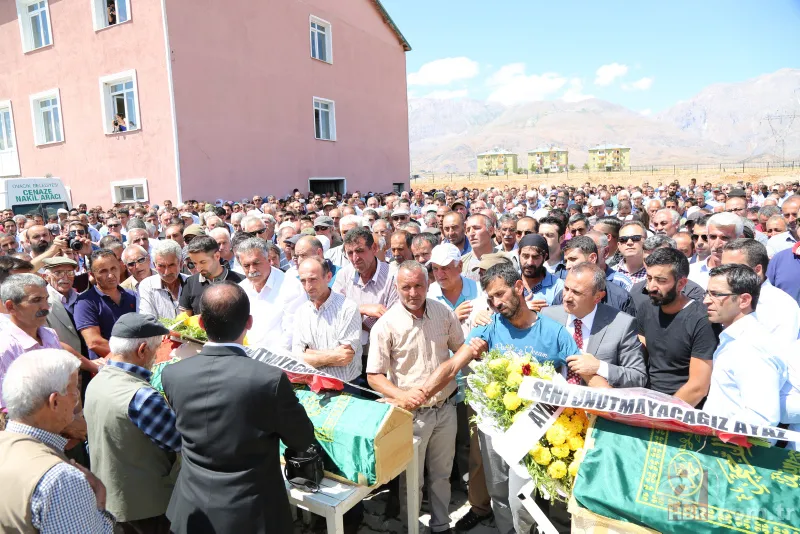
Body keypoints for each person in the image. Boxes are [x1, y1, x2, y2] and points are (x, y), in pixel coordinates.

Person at [161, 282, 315, 534]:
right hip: (252, 512)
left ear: (200, 324)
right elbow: (302, 437)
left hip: (192, 508)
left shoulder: (174, 374)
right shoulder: (269, 379)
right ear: (249, 323)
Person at [367, 261, 465, 534]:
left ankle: (441, 525)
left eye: (418, 285)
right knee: (411, 479)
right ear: (397, 287)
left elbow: (461, 352)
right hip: (411, 415)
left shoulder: (444, 313)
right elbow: (374, 376)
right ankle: (411, 526)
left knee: (442, 475)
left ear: (428, 283)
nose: (412, 293)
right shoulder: (385, 325)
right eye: (406, 287)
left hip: (445, 409)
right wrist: (402, 395)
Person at [0, 350, 116, 532]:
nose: (77, 399)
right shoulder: (62, 479)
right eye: (74, 391)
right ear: (54, 402)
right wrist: (100, 504)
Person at [85, 315, 180, 534]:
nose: (157, 356)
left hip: (110, 498)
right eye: (157, 349)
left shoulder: (98, 379)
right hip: (145, 508)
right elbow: (179, 442)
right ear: (142, 349)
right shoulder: (142, 396)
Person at [701, 264, 787, 429]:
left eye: (716, 294)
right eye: (707, 293)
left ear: (744, 300)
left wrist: (713, 435)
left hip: (732, 450)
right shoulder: (735, 339)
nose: (706, 300)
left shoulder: (750, 346)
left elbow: (761, 417)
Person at [542, 263, 646, 388]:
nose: (567, 297)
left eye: (576, 292)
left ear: (598, 297)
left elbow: (638, 377)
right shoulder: (548, 316)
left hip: (592, 403)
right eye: (566, 288)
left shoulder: (622, 325)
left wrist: (599, 367)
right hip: (553, 400)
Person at [638, 248, 717, 406]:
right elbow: (640, 356)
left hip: (682, 409)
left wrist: (661, 413)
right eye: (649, 278)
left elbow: (698, 387)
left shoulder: (702, 320)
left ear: (681, 283)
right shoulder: (646, 307)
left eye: (661, 280)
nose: (651, 287)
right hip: (646, 399)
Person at [332, 227, 399, 372]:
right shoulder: (344, 275)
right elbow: (334, 314)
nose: (355, 258)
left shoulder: (393, 276)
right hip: (350, 354)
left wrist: (353, 319)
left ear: (374, 248)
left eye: (360, 251)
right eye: (350, 253)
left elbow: (391, 323)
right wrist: (361, 309)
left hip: (386, 355)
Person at [293, 257, 363, 385]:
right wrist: (333, 355)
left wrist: (310, 353)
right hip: (313, 386)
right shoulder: (301, 312)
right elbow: (297, 357)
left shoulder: (347, 308)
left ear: (329, 277)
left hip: (346, 386)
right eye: (303, 281)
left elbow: (344, 357)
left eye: (313, 279)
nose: (308, 286)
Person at [721, 238, 800, 343]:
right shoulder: (719, 297)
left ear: (757, 270)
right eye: (723, 268)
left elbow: (780, 353)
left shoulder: (782, 306)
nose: (725, 275)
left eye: (733, 269)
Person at [235, 238, 306, 350]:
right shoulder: (240, 289)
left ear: (269, 259)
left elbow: (292, 333)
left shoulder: (291, 286)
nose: (252, 270)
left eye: (256, 263)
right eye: (246, 266)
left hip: (280, 360)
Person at [75, 249, 138, 361]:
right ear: (92, 274)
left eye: (113, 268)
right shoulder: (84, 302)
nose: (110, 275)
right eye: (103, 271)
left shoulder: (133, 296)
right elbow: (94, 342)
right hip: (109, 369)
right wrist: (131, 357)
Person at [550, 236, 635, 315]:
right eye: (566, 261)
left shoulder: (620, 298)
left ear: (592, 258)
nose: (568, 266)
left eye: (573, 259)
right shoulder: (561, 297)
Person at [178, 236, 244, 316]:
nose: (198, 268)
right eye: (194, 263)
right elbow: (183, 320)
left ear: (217, 256)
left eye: (203, 262)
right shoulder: (190, 283)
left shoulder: (241, 281)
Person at [688, 212, 743, 289]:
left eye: (724, 238)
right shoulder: (690, 272)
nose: (717, 244)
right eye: (713, 237)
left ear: (739, 239)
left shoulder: (745, 275)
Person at [138, 239, 187, 321]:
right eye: (161, 266)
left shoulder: (191, 283)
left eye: (171, 265)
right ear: (154, 265)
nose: (167, 272)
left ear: (181, 263)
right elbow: (147, 321)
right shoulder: (147, 286)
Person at [517, 233, 564, 310]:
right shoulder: (509, 282)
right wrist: (520, 308)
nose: (530, 262)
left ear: (545, 257)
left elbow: (561, 317)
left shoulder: (558, 287)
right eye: (525, 256)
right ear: (519, 254)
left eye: (535, 257)